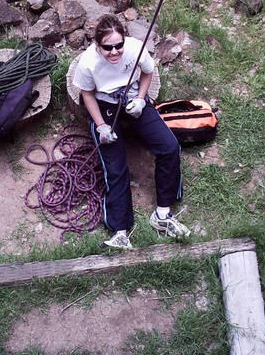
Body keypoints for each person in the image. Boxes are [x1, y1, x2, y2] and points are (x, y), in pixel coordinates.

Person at [73, 14, 190, 250]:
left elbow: (148, 72)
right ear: (97, 45)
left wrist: (139, 99)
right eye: (108, 47)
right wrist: (101, 126)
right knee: (115, 166)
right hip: (104, 105)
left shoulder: (135, 48)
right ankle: (120, 230)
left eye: (119, 45)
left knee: (169, 146)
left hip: (131, 98)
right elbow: (87, 94)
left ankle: (163, 215)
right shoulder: (88, 63)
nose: (115, 51)